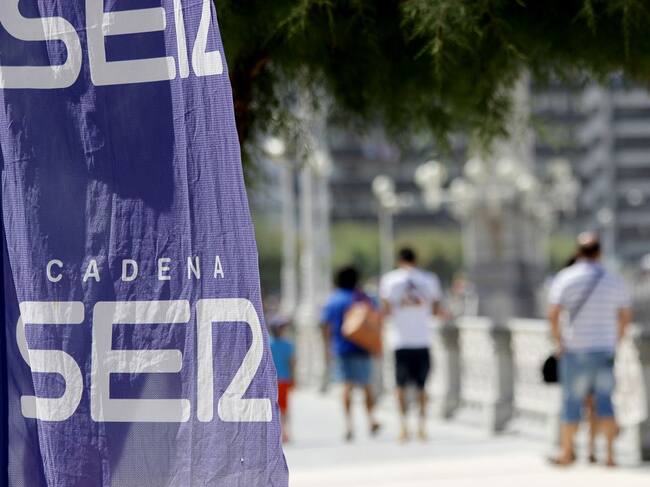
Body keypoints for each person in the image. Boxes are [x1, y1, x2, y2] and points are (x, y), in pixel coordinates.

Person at [548, 233, 632, 467]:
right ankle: (610, 455)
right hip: (604, 350)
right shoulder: (613, 280)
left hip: (575, 349)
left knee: (571, 402)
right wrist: (616, 340)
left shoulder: (565, 278)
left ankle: (567, 452)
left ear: (577, 252)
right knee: (605, 401)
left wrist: (559, 341)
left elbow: (553, 313)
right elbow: (625, 315)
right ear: (599, 253)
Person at [380, 247, 443, 442]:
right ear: (416, 260)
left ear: (399, 261)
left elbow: (385, 310)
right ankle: (422, 427)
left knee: (400, 386)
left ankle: (403, 427)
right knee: (422, 386)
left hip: (400, 341)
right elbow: (436, 310)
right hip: (423, 339)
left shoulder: (390, 280)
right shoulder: (429, 279)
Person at [321, 266, 381, 442]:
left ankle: (349, 425)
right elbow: (375, 321)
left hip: (342, 348)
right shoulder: (363, 298)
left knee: (346, 386)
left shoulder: (334, 300)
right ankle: (371, 420)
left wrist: (327, 348)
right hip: (363, 346)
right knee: (366, 385)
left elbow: (325, 325)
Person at [269, 316, 296, 443]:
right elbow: (292, 363)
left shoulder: (267, 344)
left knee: (276, 407)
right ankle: (283, 432)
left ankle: (281, 432)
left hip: (275, 380)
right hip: (282, 379)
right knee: (283, 408)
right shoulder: (287, 345)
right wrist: (293, 378)